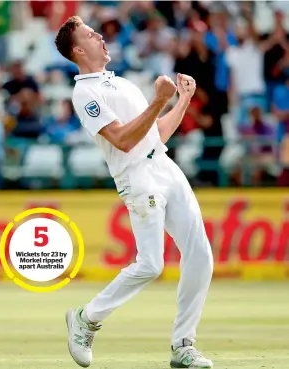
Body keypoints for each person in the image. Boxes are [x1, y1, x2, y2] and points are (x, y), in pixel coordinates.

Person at [55, 16, 213, 369]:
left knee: (201, 255)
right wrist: (158, 100)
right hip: (136, 177)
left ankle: (183, 346)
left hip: (164, 167)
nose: (99, 36)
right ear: (78, 50)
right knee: (151, 264)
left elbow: (154, 134)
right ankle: (86, 318)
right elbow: (124, 141)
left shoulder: (122, 83)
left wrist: (181, 100)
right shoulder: (85, 92)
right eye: (89, 35)